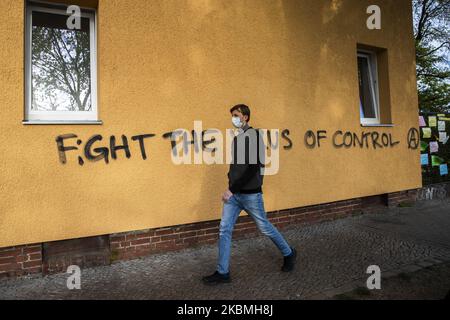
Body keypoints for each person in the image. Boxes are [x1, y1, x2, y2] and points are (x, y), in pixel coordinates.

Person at [202, 104, 296, 285]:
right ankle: (223, 273)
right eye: (232, 116)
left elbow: (253, 168)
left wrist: (232, 188)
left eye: (236, 115)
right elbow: (238, 166)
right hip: (234, 195)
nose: (233, 119)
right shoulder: (239, 137)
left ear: (245, 117)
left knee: (264, 227)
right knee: (224, 229)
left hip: (250, 195)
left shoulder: (253, 135)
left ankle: (289, 253)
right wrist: (231, 181)